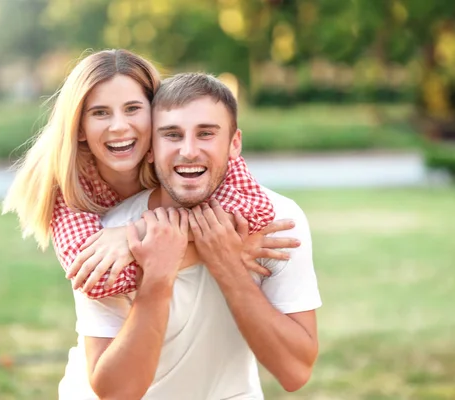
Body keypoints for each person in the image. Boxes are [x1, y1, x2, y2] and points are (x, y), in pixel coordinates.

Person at [58, 73, 321, 399]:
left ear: (234, 143)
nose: (189, 150)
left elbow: (295, 372)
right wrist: (156, 278)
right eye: (171, 135)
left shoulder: (275, 221)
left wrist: (227, 265)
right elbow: (115, 393)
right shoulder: (109, 238)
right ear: (150, 149)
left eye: (206, 134)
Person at [2, 49, 298, 299]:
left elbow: (253, 211)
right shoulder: (67, 185)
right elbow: (98, 280)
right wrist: (221, 249)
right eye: (100, 113)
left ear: (156, 112)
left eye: (132, 108)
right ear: (79, 127)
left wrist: (132, 237)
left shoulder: (187, 151)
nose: (118, 126)